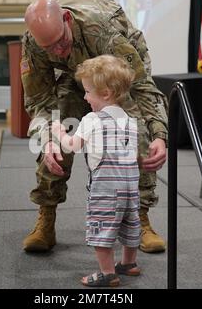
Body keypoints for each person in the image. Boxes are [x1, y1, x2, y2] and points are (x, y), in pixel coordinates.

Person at [21, 0, 168, 253]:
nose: (57, 51)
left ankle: (140, 218)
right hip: (75, 77)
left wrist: (159, 134)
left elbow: (141, 87)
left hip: (116, 74)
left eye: (60, 42)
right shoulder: (34, 44)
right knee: (57, 140)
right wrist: (47, 140)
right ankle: (46, 216)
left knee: (137, 133)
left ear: (67, 19)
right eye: (50, 48)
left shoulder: (103, 30)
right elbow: (39, 100)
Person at [51, 55, 141, 287]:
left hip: (106, 187)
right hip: (131, 185)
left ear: (106, 93)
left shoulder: (92, 119)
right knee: (130, 222)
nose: (84, 96)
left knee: (102, 226)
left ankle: (108, 273)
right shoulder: (130, 121)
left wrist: (60, 132)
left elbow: (72, 146)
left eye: (88, 91)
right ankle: (129, 263)